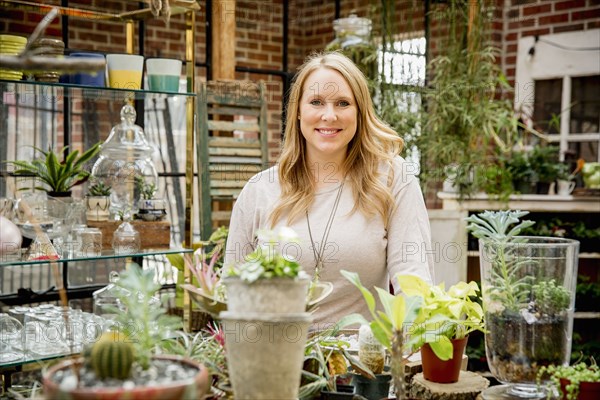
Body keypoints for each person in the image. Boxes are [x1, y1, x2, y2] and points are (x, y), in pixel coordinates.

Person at [224, 51, 434, 329]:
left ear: (360, 112)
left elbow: (413, 280)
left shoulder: (393, 177)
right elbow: (232, 291)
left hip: (361, 364)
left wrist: (413, 358)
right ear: (297, 111)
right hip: (276, 358)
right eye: (316, 102)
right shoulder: (259, 190)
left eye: (343, 103)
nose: (329, 115)